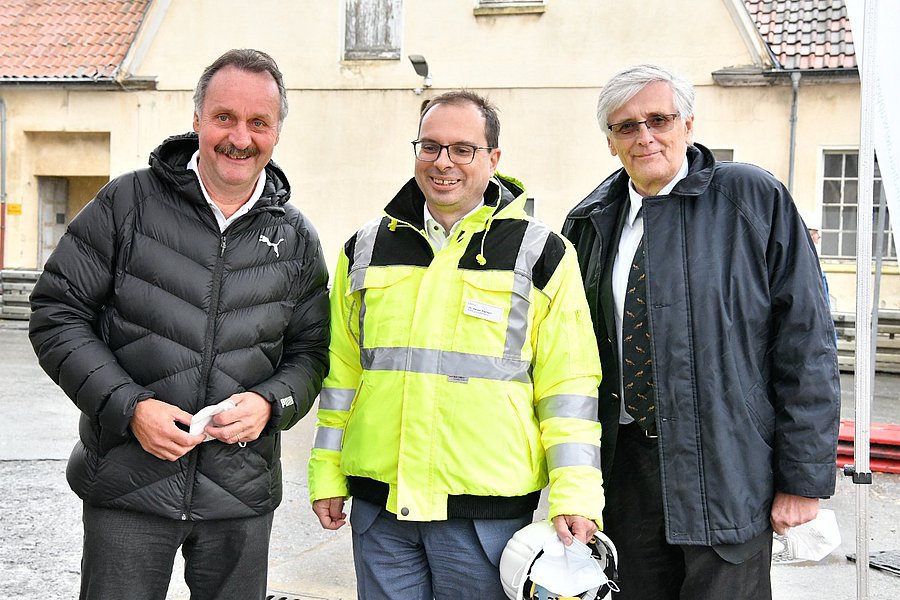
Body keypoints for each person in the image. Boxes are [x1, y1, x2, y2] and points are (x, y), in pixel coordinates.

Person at [28, 48, 329, 600]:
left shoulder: (296, 239)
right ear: (197, 120)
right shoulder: (127, 203)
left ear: (277, 132)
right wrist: (130, 407)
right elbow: (56, 314)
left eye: (258, 122)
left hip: (239, 498)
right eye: (225, 118)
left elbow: (310, 354)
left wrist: (269, 405)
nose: (241, 137)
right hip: (127, 489)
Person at [307, 90, 604, 599]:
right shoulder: (364, 248)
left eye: (463, 149)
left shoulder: (542, 253)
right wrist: (327, 475)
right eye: (430, 146)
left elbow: (568, 385)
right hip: (382, 512)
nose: (444, 162)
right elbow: (342, 376)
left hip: (485, 518)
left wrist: (575, 493)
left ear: (493, 158)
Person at [562, 64, 841, 599]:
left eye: (659, 119)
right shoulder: (589, 220)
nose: (645, 136)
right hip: (626, 470)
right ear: (610, 142)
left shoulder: (752, 198)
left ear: (688, 124)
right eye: (626, 126)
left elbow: (806, 343)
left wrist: (803, 480)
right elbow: (569, 357)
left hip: (728, 462)